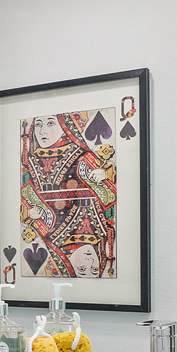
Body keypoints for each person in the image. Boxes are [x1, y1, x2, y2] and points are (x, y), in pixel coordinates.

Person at [20, 112, 116, 278]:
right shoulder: (30, 163)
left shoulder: (84, 157)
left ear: (65, 126)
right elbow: (22, 197)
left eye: (50, 123)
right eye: (38, 125)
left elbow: (113, 193)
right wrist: (28, 214)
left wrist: (105, 174)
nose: (43, 132)